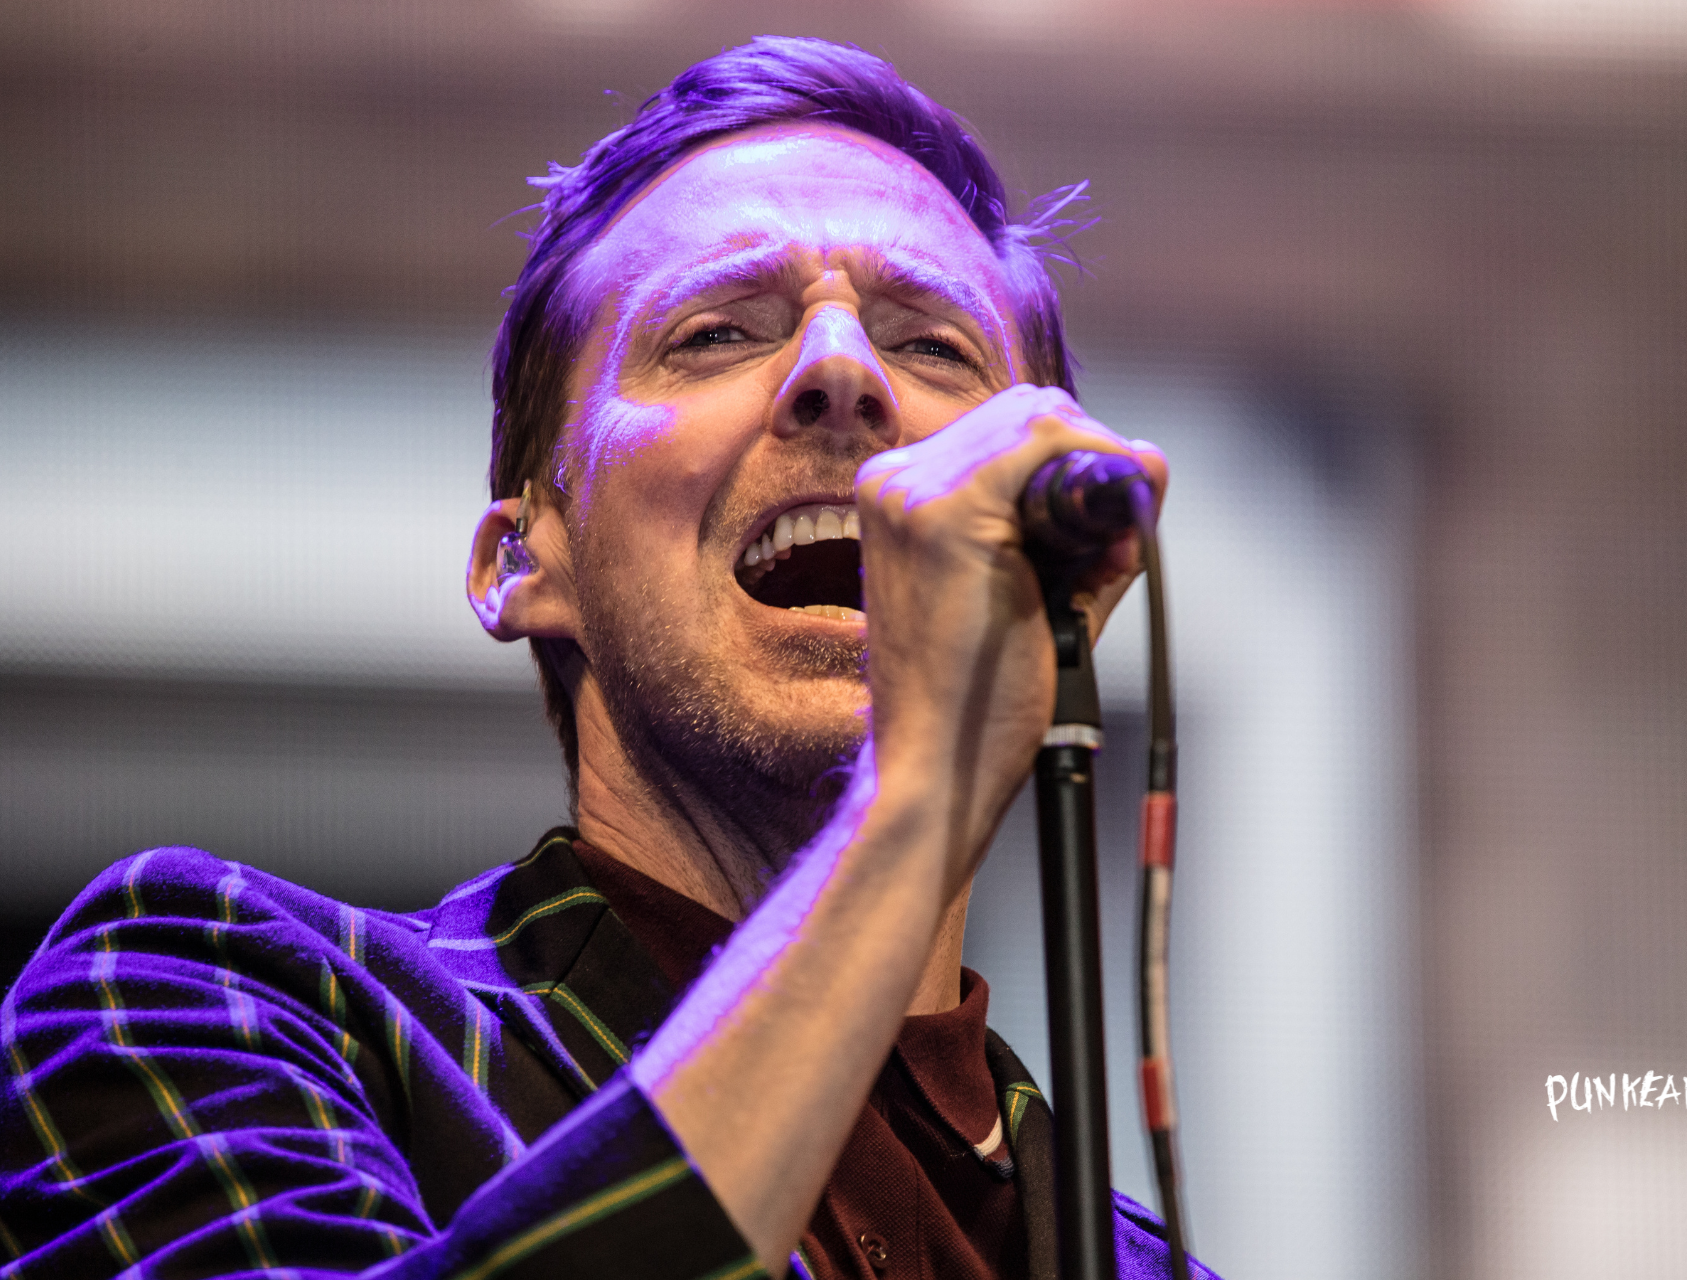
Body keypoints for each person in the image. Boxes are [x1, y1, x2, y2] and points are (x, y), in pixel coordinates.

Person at [0, 36, 1208, 1280]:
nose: (843, 373)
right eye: (715, 333)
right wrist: (918, 799)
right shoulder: (207, 996)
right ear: (520, 558)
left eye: (935, 347)